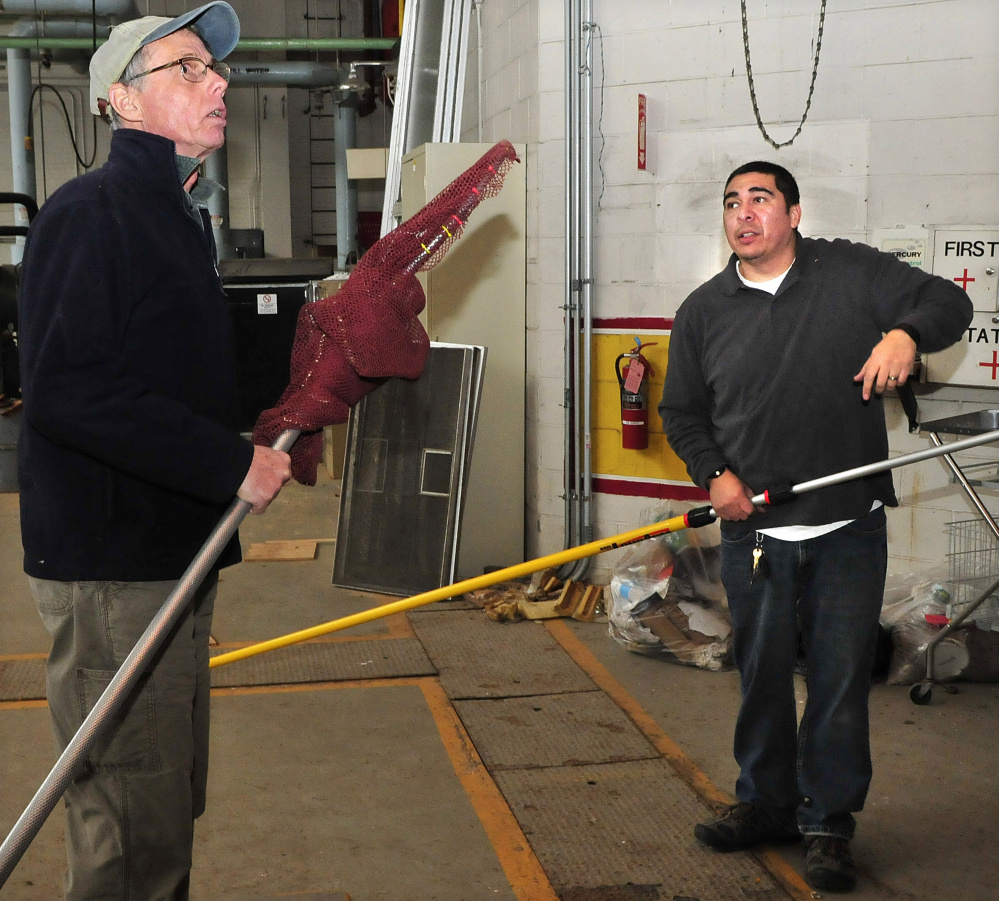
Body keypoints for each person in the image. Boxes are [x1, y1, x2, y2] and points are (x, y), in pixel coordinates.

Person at [16, 4, 292, 898]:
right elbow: (70, 388)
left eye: (216, 69)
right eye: (187, 69)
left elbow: (170, 373)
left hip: (165, 559)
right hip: (114, 570)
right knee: (131, 827)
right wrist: (227, 464)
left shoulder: (173, 217)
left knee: (163, 801)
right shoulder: (93, 211)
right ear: (121, 101)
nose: (217, 83)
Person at [659, 161, 972, 894]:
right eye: (731, 202)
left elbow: (945, 303)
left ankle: (828, 822)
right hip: (755, 533)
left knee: (836, 680)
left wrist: (903, 333)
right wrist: (716, 477)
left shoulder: (849, 273)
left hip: (846, 526)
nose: (743, 213)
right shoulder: (703, 309)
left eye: (759, 199)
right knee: (760, 676)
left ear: (793, 213)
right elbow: (682, 412)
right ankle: (766, 804)